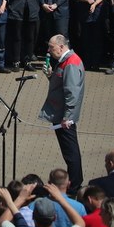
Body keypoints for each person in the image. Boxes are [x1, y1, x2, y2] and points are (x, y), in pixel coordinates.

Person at [40, 34, 86, 191]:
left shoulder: (71, 63)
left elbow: (71, 93)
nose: (49, 50)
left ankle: (74, 184)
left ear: (61, 46)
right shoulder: (65, 61)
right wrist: (50, 75)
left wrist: (67, 117)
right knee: (69, 151)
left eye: (51, 47)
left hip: (64, 117)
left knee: (70, 152)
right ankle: (74, 181)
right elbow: (62, 84)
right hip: (61, 114)